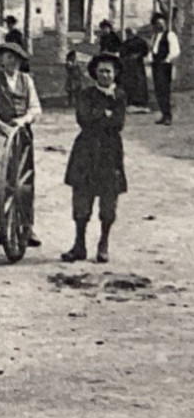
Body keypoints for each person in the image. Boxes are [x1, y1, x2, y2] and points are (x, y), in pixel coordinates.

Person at [62, 53, 128, 264]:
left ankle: (103, 244)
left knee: (109, 201)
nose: (105, 75)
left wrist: (100, 115)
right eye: (101, 71)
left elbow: (118, 123)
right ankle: (79, 244)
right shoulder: (85, 94)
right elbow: (84, 119)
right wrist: (104, 115)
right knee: (82, 198)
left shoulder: (119, 96)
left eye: (109, 71)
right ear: (95, 74)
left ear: (115, 73)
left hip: (110, 153)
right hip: (86, 151)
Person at [0, 41, 42, 247]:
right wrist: (0, 124)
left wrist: (23, 120)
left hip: (23, 137)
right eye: (8, 57)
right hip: (1, 136)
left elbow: (36, 109)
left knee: (24, 184)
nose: (12, 61)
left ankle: (27, 227)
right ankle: (3, 227)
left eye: (16, 58)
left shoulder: (26, 80)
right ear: (1, 60)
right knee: (5, 181)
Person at [149, 11, 181, 126]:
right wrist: (151, 59)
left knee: (164, 90)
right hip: (156, 65)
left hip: (164, 65)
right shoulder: (154, 36)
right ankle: (163, 114)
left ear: (165, 23)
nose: (159, 25)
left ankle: (168, 116)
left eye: (161, 23)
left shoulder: (170, 35)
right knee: (158, 90)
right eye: (157, 23)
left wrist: (167, 59)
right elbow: (152, 50)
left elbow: (175, 50)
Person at [120, 27, 152, 113]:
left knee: (139, 82)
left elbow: (145, 51)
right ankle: (131, 103)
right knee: (129, 83)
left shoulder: (140, 41)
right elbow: (122, 53)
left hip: (138, 65)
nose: (129, 34)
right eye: (128, 33)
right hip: (128, 66)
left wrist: (138, 55)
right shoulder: (125, 43)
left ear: (135, 32)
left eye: (131, 32)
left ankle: (142, 103)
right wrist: (126, 58)